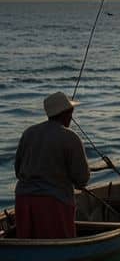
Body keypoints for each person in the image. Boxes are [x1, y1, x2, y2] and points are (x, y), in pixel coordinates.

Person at [14, 92, 91, 239]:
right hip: (54, 204)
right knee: (59, 244)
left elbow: (18, 171)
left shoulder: (29, 133)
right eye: (71, 112)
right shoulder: (71, 138)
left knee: (27, 244)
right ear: (67, 113)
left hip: (23, 200)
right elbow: (82, 180)